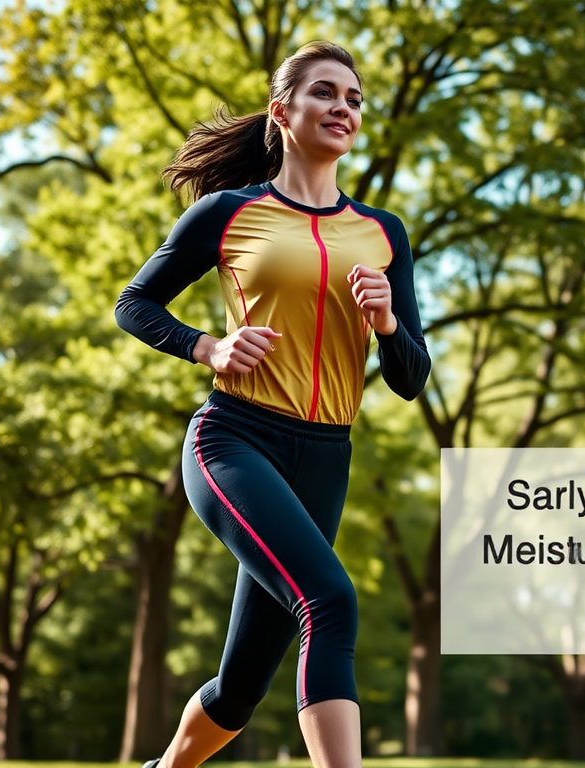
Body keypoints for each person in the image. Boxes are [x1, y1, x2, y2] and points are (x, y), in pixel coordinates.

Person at [115, 41, 430, 768]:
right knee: (331, 601)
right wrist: (207, 347)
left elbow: (411, 377)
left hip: (325, 456)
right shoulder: (231, 213)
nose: (342, 108)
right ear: (281, 110)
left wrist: (386, 325)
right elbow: (135, 304)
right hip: (234, 440)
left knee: (242, 685)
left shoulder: (384, 234)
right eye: (325, 93)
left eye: (353, 98)